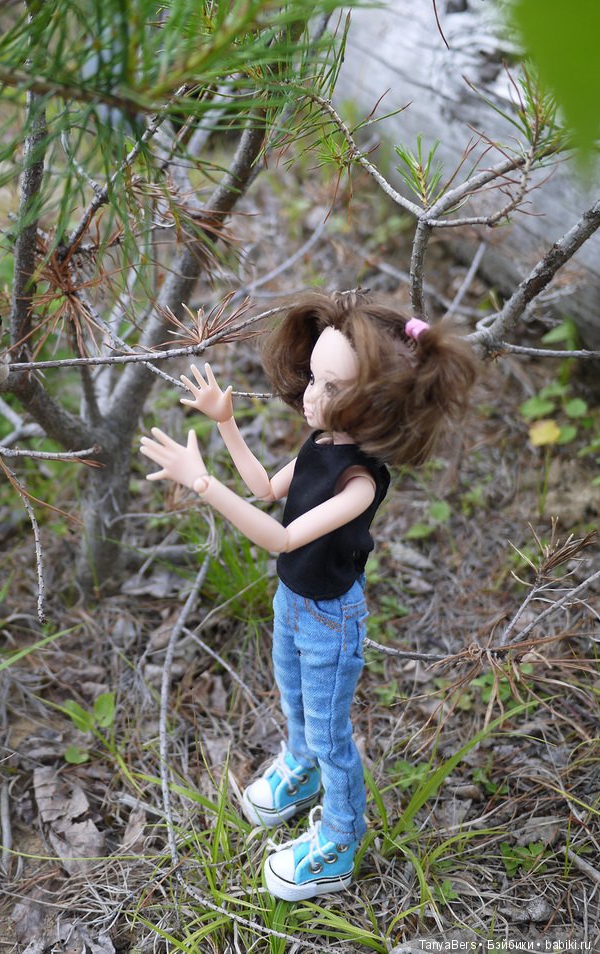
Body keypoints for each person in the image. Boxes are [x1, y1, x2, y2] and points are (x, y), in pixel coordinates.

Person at [139, 290, 477, 902]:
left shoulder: (359, 482)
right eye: (315, 380)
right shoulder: (320, 444)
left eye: (332, 388)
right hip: (292, 599)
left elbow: (282, 536)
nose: (311, 397)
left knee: (331, 736)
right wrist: (225, 422)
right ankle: (299, 768)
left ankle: (341, 841)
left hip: (330, 618)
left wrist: (203, 484)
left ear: (379, 405)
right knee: (291, 695)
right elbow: (266, 490)